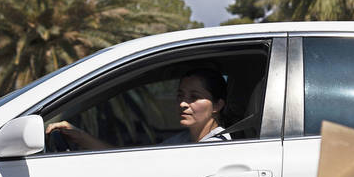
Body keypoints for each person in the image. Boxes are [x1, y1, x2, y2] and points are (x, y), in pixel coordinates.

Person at [46, 67, 232, 150]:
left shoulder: (217, 147)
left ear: (217, 105)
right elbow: (139, 163)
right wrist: (81, 137)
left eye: (194, 97)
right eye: (180, 95)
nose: (183, 103)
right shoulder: (184, 139)